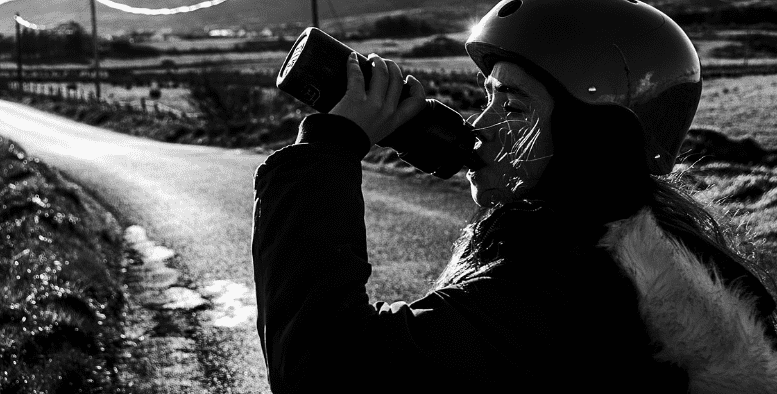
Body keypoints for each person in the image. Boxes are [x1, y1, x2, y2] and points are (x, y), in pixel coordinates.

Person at [252, 0, 777, 392]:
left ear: (591, 143)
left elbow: (325, 373)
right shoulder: (639, 254)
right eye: (487, 101)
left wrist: (330, 146)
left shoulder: (561, 295)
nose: (479, 129)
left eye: (515, 108)